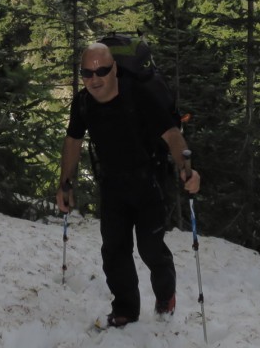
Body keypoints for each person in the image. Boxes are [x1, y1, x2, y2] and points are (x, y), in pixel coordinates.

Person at [56, 41, 201, 328]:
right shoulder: (83, 102)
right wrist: (65, 184)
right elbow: (73, 141)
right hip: (112, 184)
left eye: (102, 71)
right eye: (87, 73)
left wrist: (187, 170)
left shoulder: (138, 95)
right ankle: (125, 308)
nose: (94, 79)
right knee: (114, 248)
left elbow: (172, 135)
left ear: (114, 70)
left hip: (148, 181)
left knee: (150, 247)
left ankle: (165, 294)